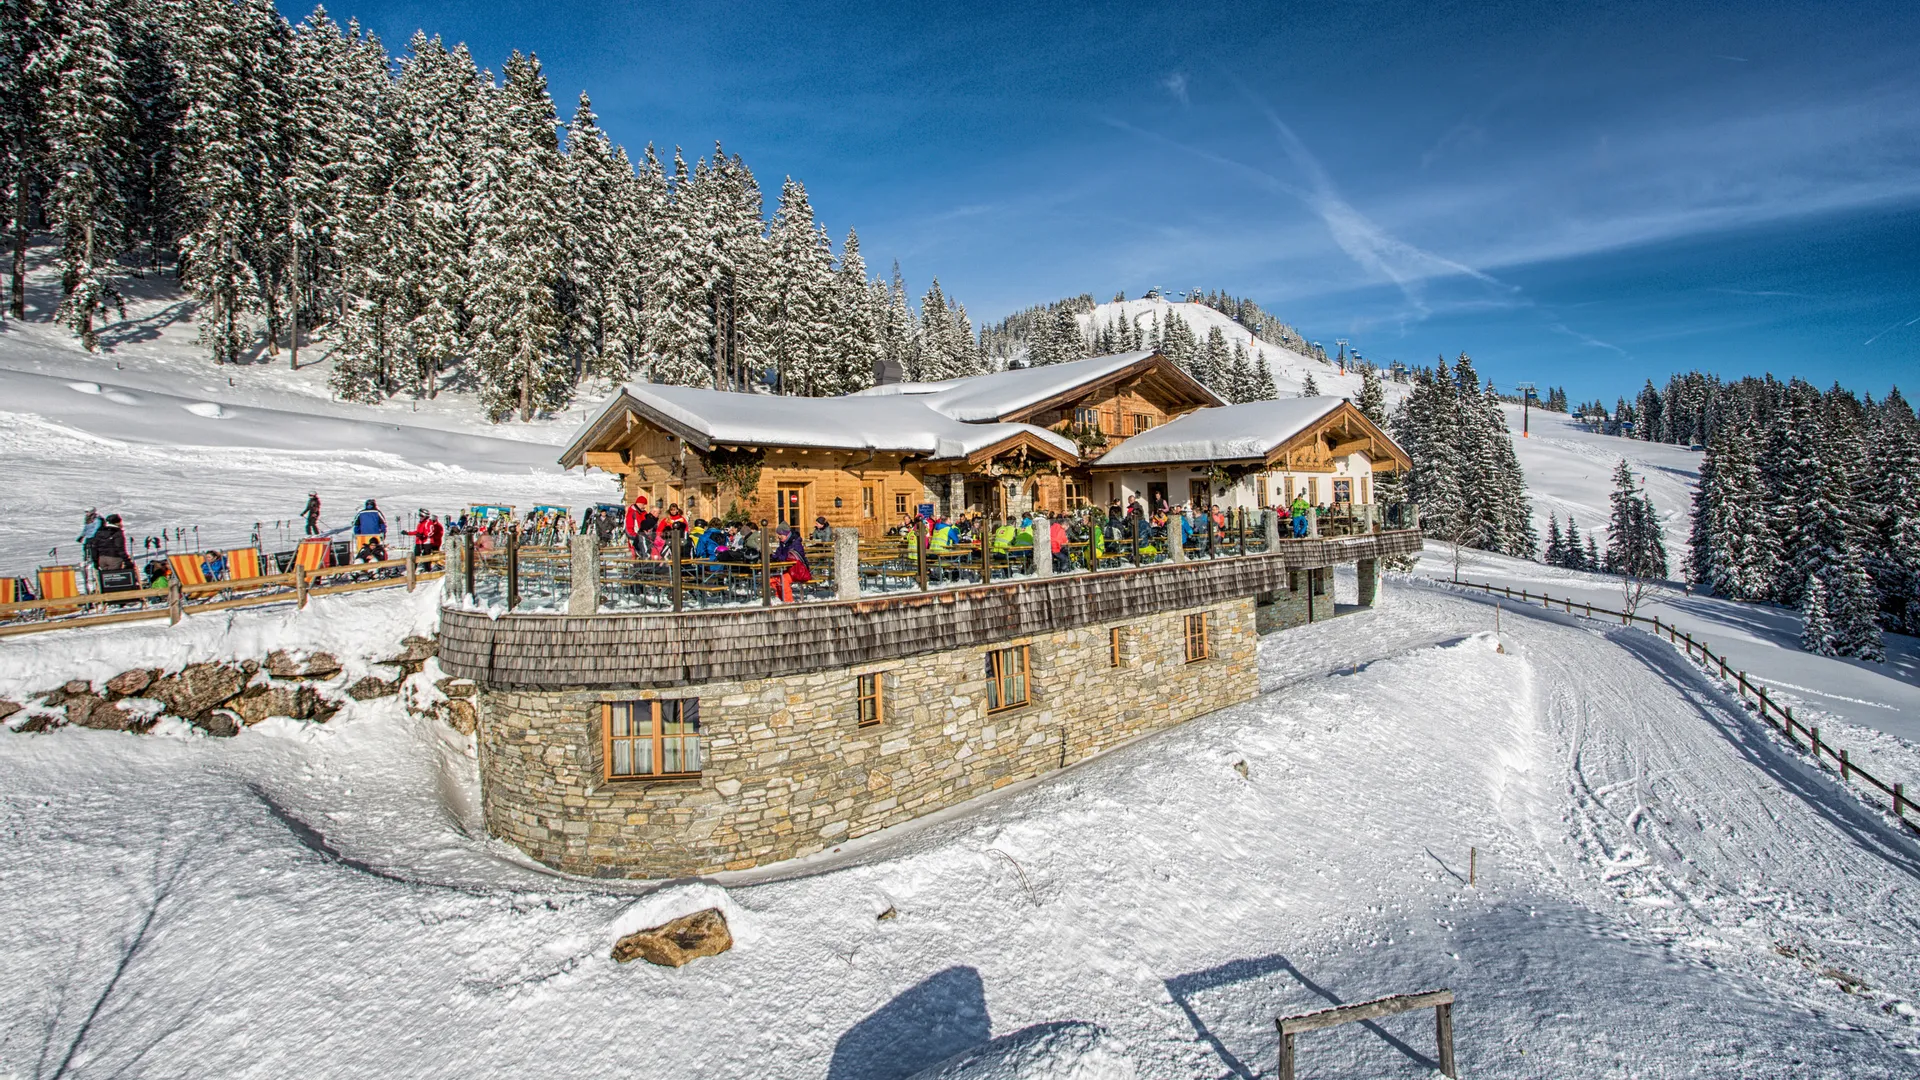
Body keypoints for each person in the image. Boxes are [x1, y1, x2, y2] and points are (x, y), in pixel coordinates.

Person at [86, 514, 133, 589]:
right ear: (117, 522)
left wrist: (95, 560)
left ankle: (105, 593)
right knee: (114, 579)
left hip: (101, 558)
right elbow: (120, 548)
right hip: (114, 558)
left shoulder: (99, 531)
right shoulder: (117, 532)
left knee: (105, 579)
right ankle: (114, 596)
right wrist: (127, 560)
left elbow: (94, 546)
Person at [768, 525, 811, 602]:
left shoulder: (796, 544)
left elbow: (790, 557)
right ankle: (778, 599)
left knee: (783, 579)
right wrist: (773, 557)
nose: (778, 537)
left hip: (799, 571)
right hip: (789, 570)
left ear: (786, 534)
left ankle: (788, 602)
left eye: (780, 535)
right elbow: (779, 553)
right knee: (772, 579)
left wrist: (779, 557)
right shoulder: (783, 543)